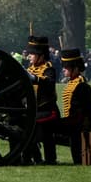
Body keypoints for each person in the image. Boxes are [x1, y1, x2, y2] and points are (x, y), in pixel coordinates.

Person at [53, 48, 91, 164]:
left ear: (75, 68)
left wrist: (64, 122)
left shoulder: (81, 85)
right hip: (72, 121)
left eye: (66, 67)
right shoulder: (72, 82)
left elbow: (82, 112)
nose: (64, 69)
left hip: (77, 125)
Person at [25, 35, 60, 165]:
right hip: (34, 109)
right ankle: (35, 158)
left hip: (47, 110)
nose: (29, 56)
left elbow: (49, 82)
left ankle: (50, 159)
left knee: (46, 136)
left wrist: (34, 78)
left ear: (40, 55)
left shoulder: (48, 68)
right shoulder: (30, 69)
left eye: (32, 54)